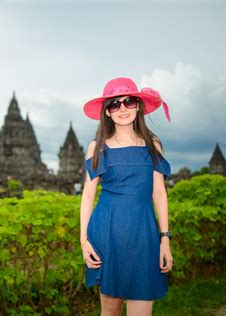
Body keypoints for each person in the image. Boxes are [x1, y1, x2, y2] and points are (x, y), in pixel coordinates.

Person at [79, 77, 173, 316]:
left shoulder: (152, 143)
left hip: (144, 233)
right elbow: (88, 196)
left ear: (139, 105)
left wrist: (165, 239)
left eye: (129, 101)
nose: (122, 108)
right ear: (107, 112)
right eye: (114, 104)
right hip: (107, 232)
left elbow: (159, 194)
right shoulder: (97, 146)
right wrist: (84, 241)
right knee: (110, 312)